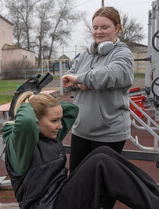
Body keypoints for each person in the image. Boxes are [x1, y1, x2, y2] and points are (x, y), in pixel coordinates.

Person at [1, 91, 159, 209]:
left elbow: (72, 111)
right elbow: (25, 123)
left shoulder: (48, 136)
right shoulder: (19, 147)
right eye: (54, 120)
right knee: (100, 163)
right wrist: (28, 104)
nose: (61, 126)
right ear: (35, 122)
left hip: (60, 204)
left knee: (102, 152)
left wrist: (41, 101)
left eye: (59, 120)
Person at [61, 6, 134, 173]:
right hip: (82, 129)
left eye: (104, 27)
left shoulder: (122, 54)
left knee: (102, 185)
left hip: (108, 132)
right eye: (95, 27)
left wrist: (81, 78)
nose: (98, 32)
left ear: (117, 28)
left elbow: (113, 73)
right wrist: (80, 82)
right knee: (77, 179)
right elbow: (69, 75)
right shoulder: (86, 54)